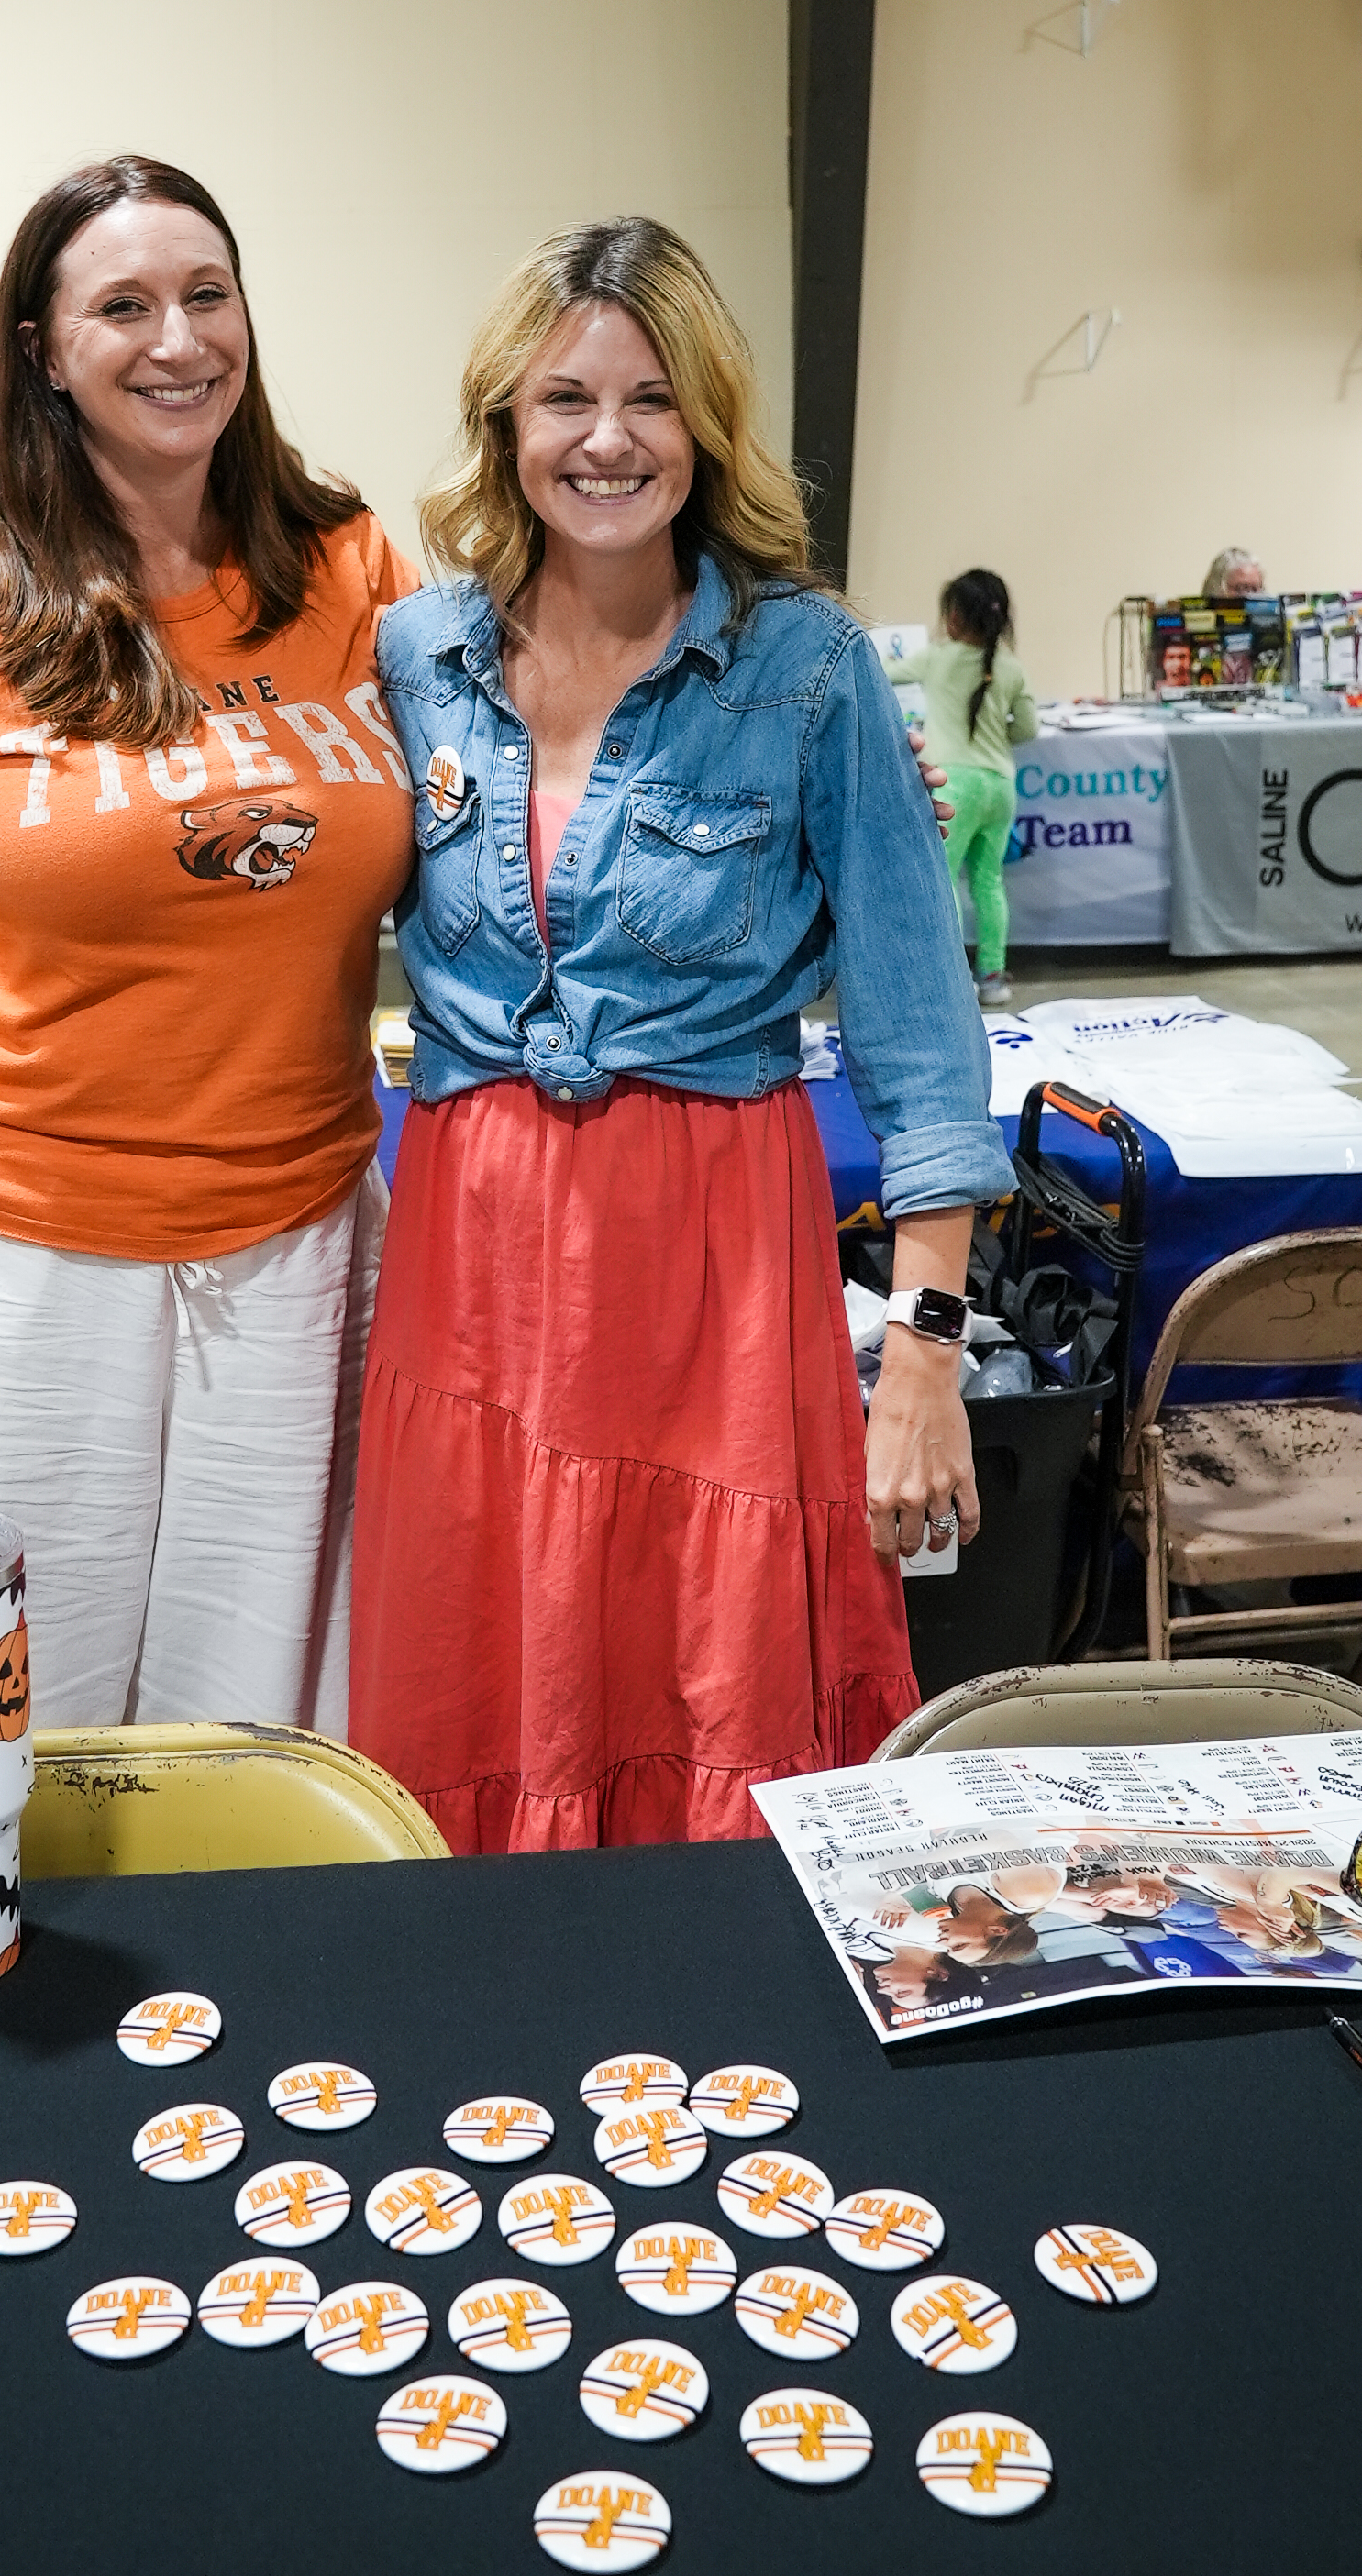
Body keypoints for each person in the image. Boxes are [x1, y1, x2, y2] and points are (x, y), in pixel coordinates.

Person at [0, 155, 415, 1884]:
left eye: (208, 293)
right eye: (122, 305)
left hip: (294, 1259)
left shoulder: (349, 569)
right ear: (42, 349)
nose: (177, 338)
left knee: (250, 1747)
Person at [350, 216, 1001, 1853]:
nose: (608, 440)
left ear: (705, 426)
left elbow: (922, 1036)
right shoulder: (415, 656)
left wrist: (924, 1354)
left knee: (708, 1659)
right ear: (507, 422)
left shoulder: (804, 669)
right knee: (488, 1639)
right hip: (476, 1245)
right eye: (564, 398)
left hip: (711, 1250)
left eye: (650, 399)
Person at [893, 571, 1037, 1009]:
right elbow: (1029, 728)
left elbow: (881, 674)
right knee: (988, 882)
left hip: (955, 784)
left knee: (945, 881)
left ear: (953, 616)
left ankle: (953, 981)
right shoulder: (1010, 668)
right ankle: (992, 979)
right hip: (999, 786)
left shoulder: (936, 658)